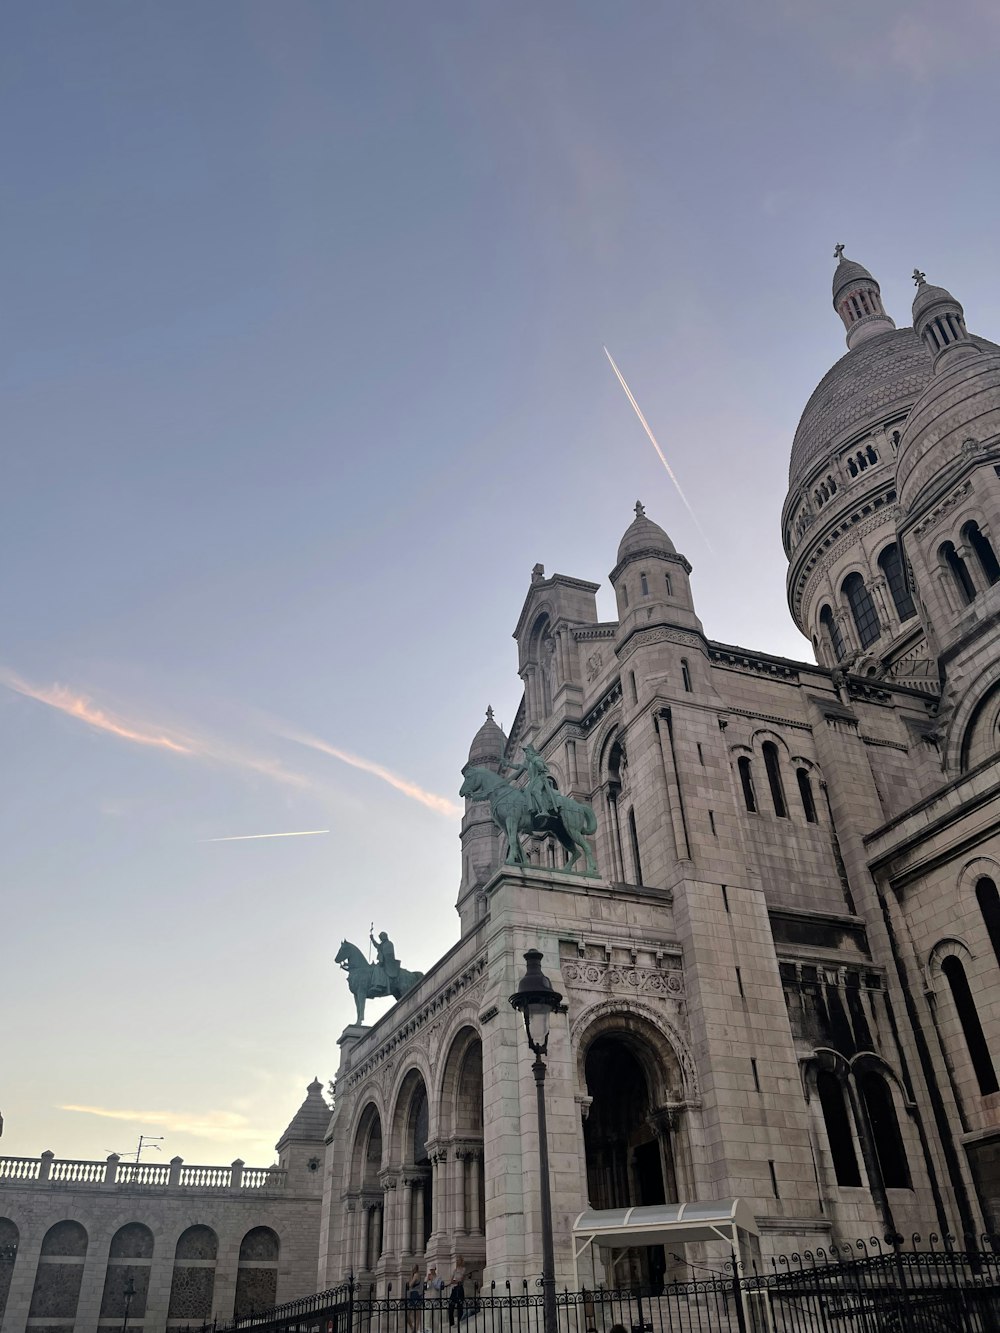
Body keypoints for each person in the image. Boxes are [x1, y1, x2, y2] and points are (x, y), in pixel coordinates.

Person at [447, 1256, 466, 1326]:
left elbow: (461, 1280)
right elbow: (451, 1280)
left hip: (460, 1288)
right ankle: (451, 1323)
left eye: (458, 1260)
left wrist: (455, 1281)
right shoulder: (455, 1270)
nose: (457, 1262)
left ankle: (459, 1322)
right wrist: (455, 1281)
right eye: (457, 1260)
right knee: (450, 1306)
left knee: (460, 1306)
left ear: (461, 1261)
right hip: (454, 1289)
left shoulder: (463, 1269)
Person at [405, 1264, 423, 1332]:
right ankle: (413, 1329)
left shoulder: (416, 1275)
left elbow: (410, 1284)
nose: (412, 1269)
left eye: (413, 1268)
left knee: (417, 1314)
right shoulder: (414, 1275)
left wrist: (410, 1275)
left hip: (416, 1294)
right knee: (409, 1315)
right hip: (413, 1294)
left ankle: (415, 1329)